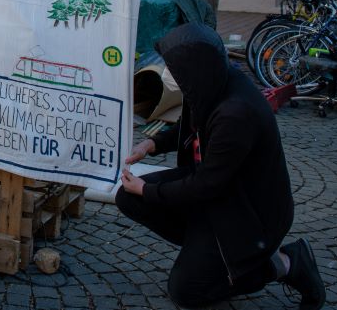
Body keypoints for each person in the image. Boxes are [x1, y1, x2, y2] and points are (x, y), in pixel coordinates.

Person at [116, 23, 325, 310]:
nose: (169, 73)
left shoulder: (235, 113)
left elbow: (207, 185)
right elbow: (191, 125)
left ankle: (285, 263)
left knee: (186, 292)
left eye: (174, 67)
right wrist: (152, 144)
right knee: (128, 197)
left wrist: (148, 190)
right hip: (218, 194)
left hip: (248, 214)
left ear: (196, 68)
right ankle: (207, 253)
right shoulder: (212, 83)